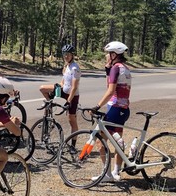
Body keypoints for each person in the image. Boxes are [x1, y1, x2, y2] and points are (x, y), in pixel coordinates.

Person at [90, 41, 132, 182]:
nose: (106, 57)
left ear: (114, 54)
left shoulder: (116, 68)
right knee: (117, 140)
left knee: (100, 139)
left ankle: (107, 174)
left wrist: (97, 106)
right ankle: (116, 172)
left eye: (108, 54)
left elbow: (110, 90)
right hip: (124, 109)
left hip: (114, 108)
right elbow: (112, 85)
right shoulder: (125, 68)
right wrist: (107, 70)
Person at [39, 44, 82, 132]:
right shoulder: (66, 66)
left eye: (68, 54)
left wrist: (68, 101)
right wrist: (55, 88)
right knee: (43, 89)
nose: (66, 56)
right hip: (63, 90)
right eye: (64, 54)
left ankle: (72, 145)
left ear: (72, 55)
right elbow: (63, 82)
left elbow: (74, 87)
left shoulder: (75, 68)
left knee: (72, 120)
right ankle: (48, 117)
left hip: (72, 96)